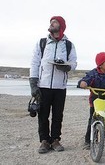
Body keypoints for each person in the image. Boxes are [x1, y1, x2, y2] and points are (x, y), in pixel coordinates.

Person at [29, 16, 77, 153]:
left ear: (61, 26)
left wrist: (66, 67)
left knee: (57, 115)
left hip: (60, 87)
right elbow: (35, 63)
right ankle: (44, 140)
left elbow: (73, 63)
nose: (51, 24)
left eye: (54, 22)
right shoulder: (42, 43)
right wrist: (33, 83)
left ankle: (55, 140)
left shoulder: (68, 45)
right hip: (43, 85)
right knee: (43, 114)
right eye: (51, 22)